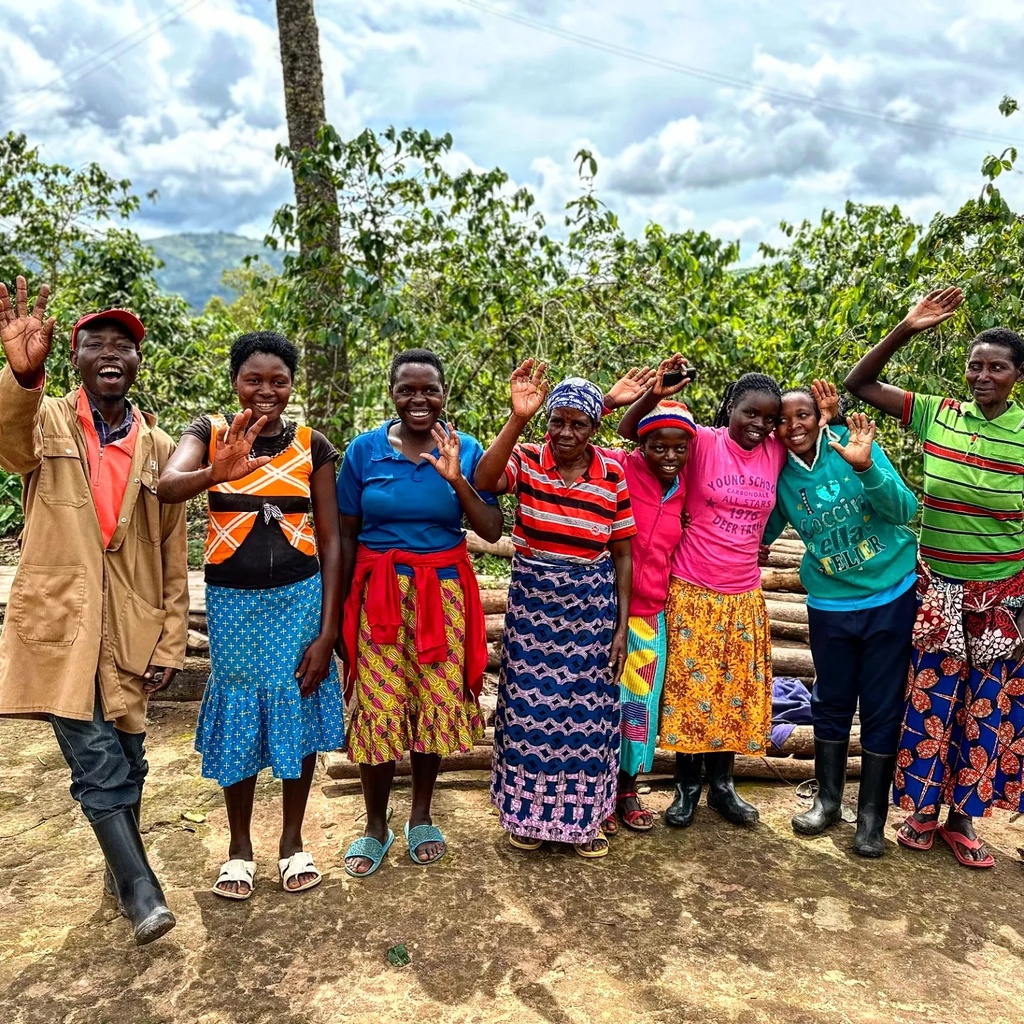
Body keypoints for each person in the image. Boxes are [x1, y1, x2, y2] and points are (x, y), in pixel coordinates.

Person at [0, 277, 188, 945]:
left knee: (131, 759)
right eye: (94, 343)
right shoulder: (45, 419)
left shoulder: (161, 448)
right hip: (60, 625)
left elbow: (170, 550)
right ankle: (142, 888)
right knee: (98, 764)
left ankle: (119, 870)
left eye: (124, 346)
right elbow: (9, 442)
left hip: (133, 629)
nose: (110, 353)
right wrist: (21, 377)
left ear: (139, 363)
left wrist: (170, 639)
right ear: (74, 356)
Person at [158, 331, 344, 898]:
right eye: (253, 380)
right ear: (235, 381)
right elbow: (166, 486)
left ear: (293, 385)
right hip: (234, 603)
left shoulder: (313, 444)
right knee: (239, 703)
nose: (267, 390)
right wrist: (218, 472)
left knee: (299, 702)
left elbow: (333, 541)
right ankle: (239, 848)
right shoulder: (209, 434)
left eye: (279, 380)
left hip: (300, 599)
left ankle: (292, 843)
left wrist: (328, 631)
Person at [845, 286, 1024, 869]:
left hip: (1002, 597)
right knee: (931, 701)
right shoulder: (939, 413)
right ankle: (921, 811)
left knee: (985, 706)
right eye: (975, 365)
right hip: (940, 590)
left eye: (996, 367)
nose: (982, 376)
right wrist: (907, 327)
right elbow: (860, 385)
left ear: (1017, 375)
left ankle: (963, 820)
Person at [337, 348, 503, 877]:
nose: (418, 399)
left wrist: (456, 479)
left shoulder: (467, 448)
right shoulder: (363, 453)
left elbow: (492, 529)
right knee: (379, 707)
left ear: (444, 394)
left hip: (443, 595)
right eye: (407, 389)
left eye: (429, 389)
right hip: (377, 597)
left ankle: (422, 814)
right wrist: (338, 614)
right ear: (391, 394)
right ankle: (375, 825)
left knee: (435, 699)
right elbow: (342, 536)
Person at [476, 361, 640, 859]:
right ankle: (526, 817)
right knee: (529, 713)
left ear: (595, 428)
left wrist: (620, 626)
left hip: (592, 610)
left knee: (588, 717)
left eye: (579, 423)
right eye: (557, 421)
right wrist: (517, 418)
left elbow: (624, 553)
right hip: (533, 608)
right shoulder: (526, 459)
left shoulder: (612, 472)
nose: (566, 432)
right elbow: (484, 478)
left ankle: (583, 820)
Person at [621, 359, 785, 828]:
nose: (759, 425)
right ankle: (686, 787)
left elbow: (808, 440)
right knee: (687, 693)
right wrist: (653, 392)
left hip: (743, 593)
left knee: (732, 691)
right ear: (730, 407)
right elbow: (635, 431)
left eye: (768, 419)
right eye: (751, 414)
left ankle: (723, 786)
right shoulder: (703, 442)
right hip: (692, 586)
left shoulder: (774, 451)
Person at [763, 381, 918, 856]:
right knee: (829, 699)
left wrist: (867, 467)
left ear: (820, 417)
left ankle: (871, 817)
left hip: (890, 595)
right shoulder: (779, 473)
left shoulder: (855, 447)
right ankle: (828, 801)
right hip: (829, 605)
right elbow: (761, 527)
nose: (794, 427)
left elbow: (905, 509)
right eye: (783, 420)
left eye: (803, 416)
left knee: (881, 704)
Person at [601, 397, 697, 834]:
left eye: (680, 448)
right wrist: (634, 400)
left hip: (649, 614)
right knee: (599, 705)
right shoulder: (621, 467)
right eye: (659, 446)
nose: (671, 456)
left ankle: (626, 789)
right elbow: (574, 434)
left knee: (638, 707)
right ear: (642, 445)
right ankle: (595, 792)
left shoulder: (685, 485)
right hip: (601, 610)